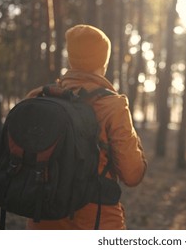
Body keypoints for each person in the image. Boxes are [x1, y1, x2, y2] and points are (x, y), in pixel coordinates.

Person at [25, 24, 147, 230]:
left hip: (43, 217)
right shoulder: (113, 105)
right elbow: (132, 174)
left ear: (71, 59)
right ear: (104, 62)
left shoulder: (38, 97)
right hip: (98, 219)